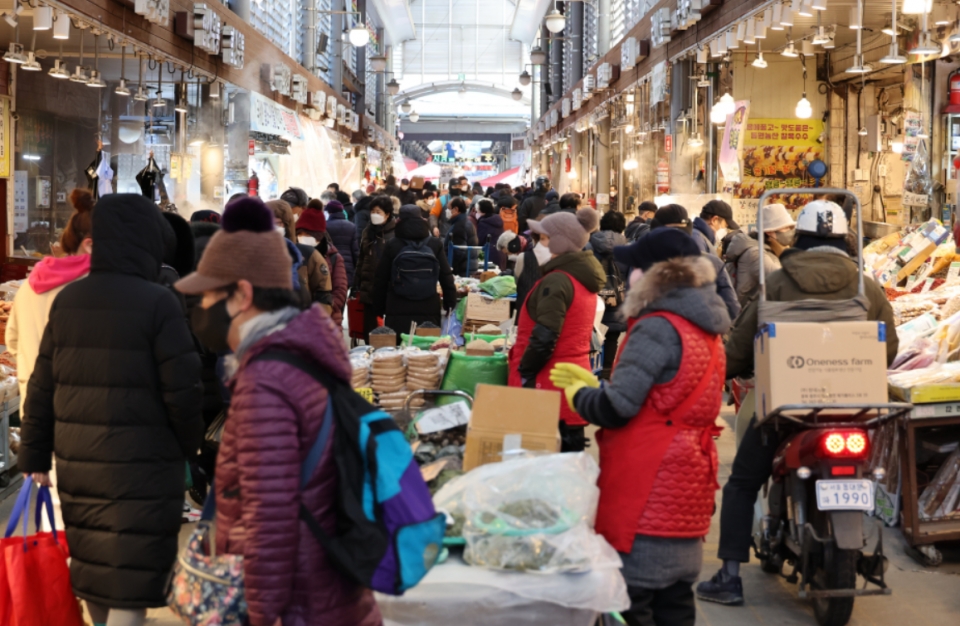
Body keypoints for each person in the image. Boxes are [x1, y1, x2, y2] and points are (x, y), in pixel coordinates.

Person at [174, 200, 383, 626]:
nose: (202, 307)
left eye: (211, 293)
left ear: (243, 296)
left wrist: (264, 613)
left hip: (296, 601)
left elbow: (268, 518)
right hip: (323, 585)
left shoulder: (266, 381)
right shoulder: (299, 356)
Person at [696, 200, 898, 607]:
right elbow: (888, 349)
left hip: (787, 410)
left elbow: (737, 349)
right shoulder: (867, 287)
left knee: (742, 482)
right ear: (844, 239)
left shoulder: (778, 283)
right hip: (853, 408)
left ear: (798, 238)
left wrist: (731, 368)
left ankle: (730, 576)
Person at [20, 194, 203, 626]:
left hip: (79, 462)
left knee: (93, 569)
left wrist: (34, 455)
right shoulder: (159, 302)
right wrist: (188, 449)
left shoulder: (69, 301)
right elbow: (184, 389)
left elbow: (42, 385)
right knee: (130, 576)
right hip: (144, 464)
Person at [550, 228, 730, 626]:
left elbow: (618, 407)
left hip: (650, 483)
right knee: (677, 602)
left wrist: (582, 394)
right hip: (690, 481)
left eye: (633, 266)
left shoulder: (657, 327)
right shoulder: (706, 326)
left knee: (632, 604)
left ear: (654, 274)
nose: (627, 272)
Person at [7, 188, 93, 531]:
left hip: (35, 409)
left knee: (52, 509)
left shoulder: (31, 284)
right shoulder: (91, 286)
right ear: (89, 244)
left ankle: (54, 576)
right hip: (82, 414)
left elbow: (12, 342)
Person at [508, 209, 605, 452]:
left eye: (542, 239)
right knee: (567, 458)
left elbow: (546, 335)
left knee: (546, 459)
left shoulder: (558, 280)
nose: (537, 246)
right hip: (568, 378)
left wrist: (525, 370)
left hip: (549, 379)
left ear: (559, 243)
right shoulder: (579, 277)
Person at [373, 205, 457, 338]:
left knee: (400, 351)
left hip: (397, 306)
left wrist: (379, 308)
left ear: (399, 220)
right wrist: (449, 304)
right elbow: (446, 277)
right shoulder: (435, 244)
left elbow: (380, 279)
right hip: (428, 306)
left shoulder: (392, 244)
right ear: (421, 219)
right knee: (426, 350)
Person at [649, 204, 741, 320]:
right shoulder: (710, 259)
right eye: (725, 226)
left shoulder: (641, 263)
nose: (725, 230)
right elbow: (731, 307)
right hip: (700, 332)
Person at [722, 203, 796, 305]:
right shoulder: (756, 255)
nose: (791, 231)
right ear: (770, 232)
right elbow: (786, 283)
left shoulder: (768, 249)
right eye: (787, 228)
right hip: (744, 316)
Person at [268, 199, 333, 312]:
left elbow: (323, 296)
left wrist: (313, 325)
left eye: (276, 223)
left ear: (287, 225)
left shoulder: (309, 255)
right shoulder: (256, 257)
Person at [588, 210, 628, 377]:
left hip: (593, 302)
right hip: (617, 303)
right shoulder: (628, 249)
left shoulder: (588, 245)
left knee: (591, 338)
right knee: (611, 339)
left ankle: (590, 374)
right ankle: (606, 374)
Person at [297, 203, 348, 327]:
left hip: (327, 322)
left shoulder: (333, 257)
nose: (303, 238)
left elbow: (340, 290)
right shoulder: (294, 255)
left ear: (319, 236)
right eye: (300, 234)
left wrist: (325, 308)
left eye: (308, 235)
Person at [354, 195, 397, 341]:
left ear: (388, 214)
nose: (374, 215)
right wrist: (356, 284)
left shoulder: (395, 233)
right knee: (370, 332)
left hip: (388, 289)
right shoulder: (368, 232)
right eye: (372, 211)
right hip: (369, 287)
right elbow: (362, 258)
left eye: (378, 212)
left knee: (387, 332)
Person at [322, 198, 359, 286]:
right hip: (348, 265)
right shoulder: (351, 226)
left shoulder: (326, 226)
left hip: (331, 263)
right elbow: (355, 250)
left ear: (329, 212)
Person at [446, 196, 479, 276]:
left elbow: (459, 251)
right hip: (469, 266)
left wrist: (448, 266)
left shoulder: (459, 226)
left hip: (462, 270)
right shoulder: (467, 222)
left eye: (449, 208)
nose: (447, 211)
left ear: (456, 209)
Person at [475, 198, 506, 269]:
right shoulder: (497, 220)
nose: (476, 213)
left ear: (483, 211)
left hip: (489, 254)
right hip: (501, 253)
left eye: (477, 211)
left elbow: (479, 240)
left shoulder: (484, 223)